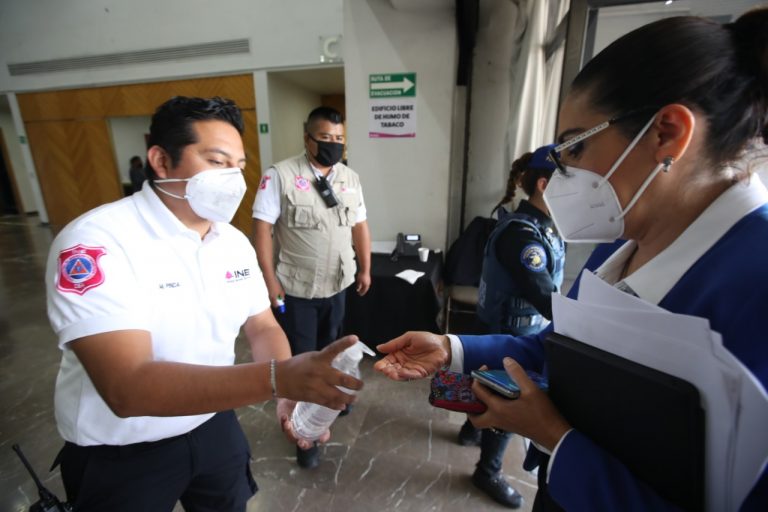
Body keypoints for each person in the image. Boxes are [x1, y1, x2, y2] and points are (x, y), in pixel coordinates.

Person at [374, 9, 768, 511]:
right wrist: (451, 348)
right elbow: (564, 346)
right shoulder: (621, 241)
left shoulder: (755, 283)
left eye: (575, 147)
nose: (564, 174)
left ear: (666, 134)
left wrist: (556, 438)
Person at [45, 96, 363, 512]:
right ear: (161, 161)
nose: (233, 179)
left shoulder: (231, 241)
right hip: (123, 449)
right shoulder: (97, 242)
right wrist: (277, 378)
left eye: (239, 166)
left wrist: (287, 396)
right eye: (216, 161)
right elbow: (127, 388)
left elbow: (262, 326)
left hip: (213, 421)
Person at [252, 106, 371, 469]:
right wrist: (270, 281)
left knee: (333, 349)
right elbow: (262, 229)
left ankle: (330, 401)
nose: (333, 144)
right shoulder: (280, 176)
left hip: (338, 283)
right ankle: (304, 435)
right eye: (325, 138)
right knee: (302, 358)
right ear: (308, 139)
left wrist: (366, 268)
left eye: (339, 138)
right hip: (297, 288)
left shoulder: (350, 178)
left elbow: (360, 225)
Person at [458, 144, 564, 508]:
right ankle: (487, 472)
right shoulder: (523, 235)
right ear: (544, 186)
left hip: (509, 329)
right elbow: (546, 297)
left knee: (485, 388)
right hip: (510, 335)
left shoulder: (542, 226)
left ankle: (470, 430)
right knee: (506, 406)